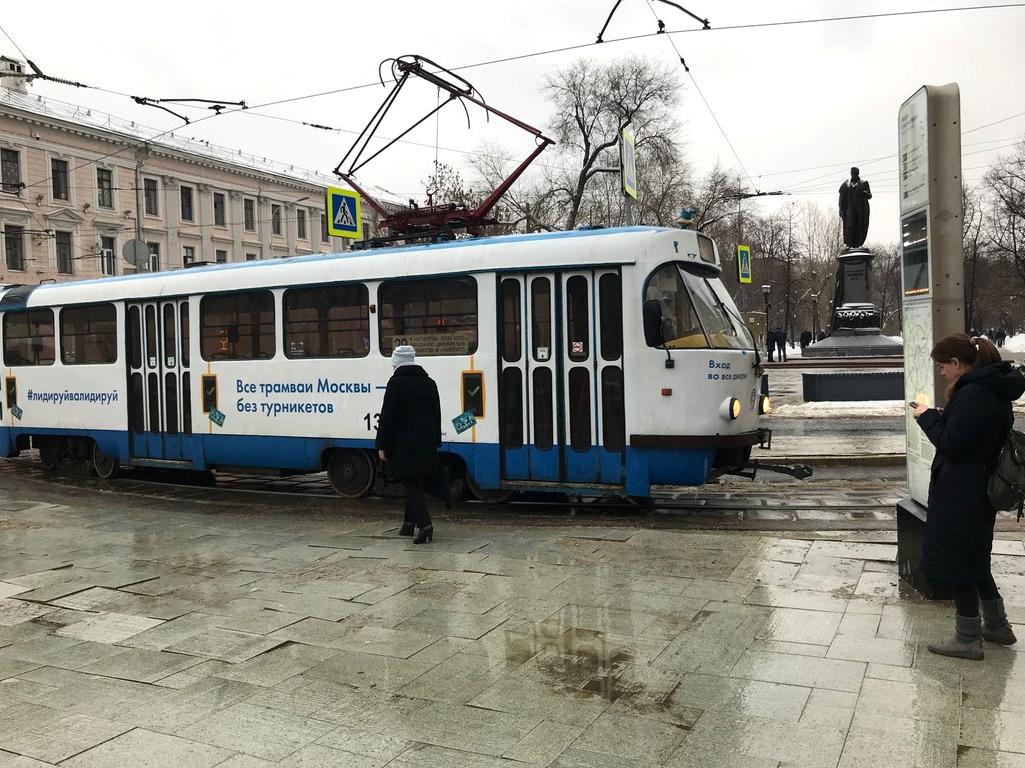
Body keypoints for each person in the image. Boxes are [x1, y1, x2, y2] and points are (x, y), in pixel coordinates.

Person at [911, 334, 1025, 659]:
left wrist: (927, 417)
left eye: (943, 367)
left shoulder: (973, 394)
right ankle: (997, 625)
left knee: (960, 560)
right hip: (978, 486)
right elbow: (972, 435)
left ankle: (967, 638)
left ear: (958, 364)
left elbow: (953, 445)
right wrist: (946, 415)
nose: (942, 373)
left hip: (963, 490)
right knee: (975, 558)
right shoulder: (991, 389)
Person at [376, 345, 442, 544]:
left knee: (410, 483)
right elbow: (436, 415)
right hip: (426, 443)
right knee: (414, 482)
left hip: (404, 446)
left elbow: (388, 417)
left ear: (396, 362)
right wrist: (435, 441)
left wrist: (382, 445)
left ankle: (425, 525)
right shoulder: (429, 382)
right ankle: (408, 525)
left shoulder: (396, 383)